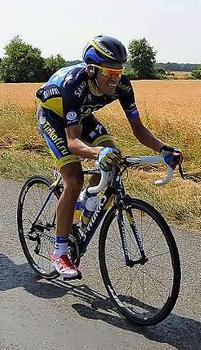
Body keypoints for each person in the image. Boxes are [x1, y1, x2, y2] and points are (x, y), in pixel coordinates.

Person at [35, 35, 182, 279]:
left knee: (113, 157)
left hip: (81, 115)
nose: (116, 79)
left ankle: (84, 203)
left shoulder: (122, 85)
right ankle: (59, 252)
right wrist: (96, 152)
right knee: (73, 178)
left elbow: (138, 128)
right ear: (92, 70)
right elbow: (73, 142)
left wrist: (163, 149)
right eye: (109, 73)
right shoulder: (75, 83)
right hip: (53, 117)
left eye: (119, 72)